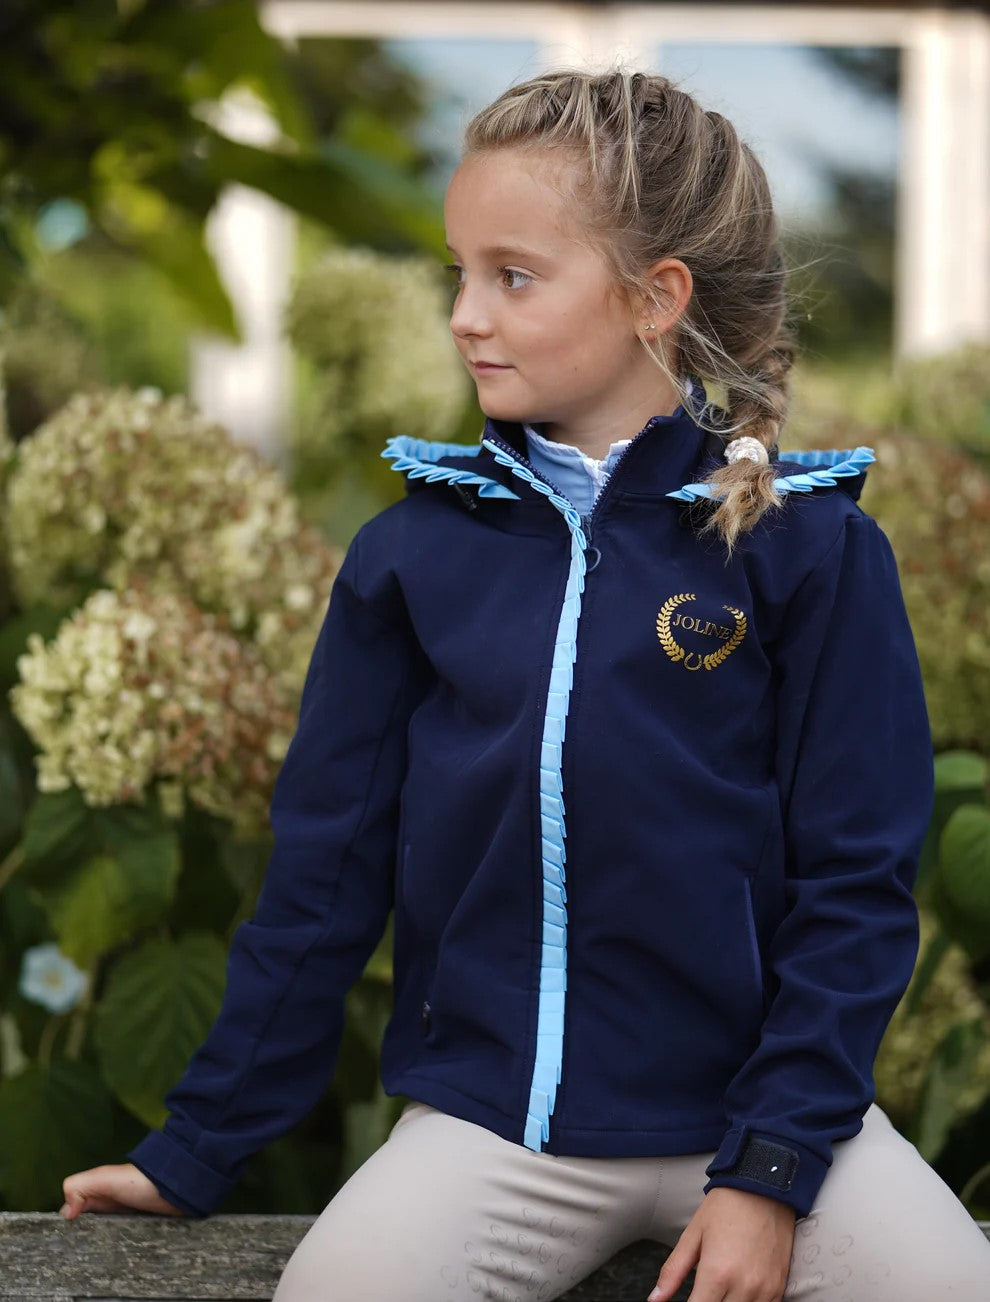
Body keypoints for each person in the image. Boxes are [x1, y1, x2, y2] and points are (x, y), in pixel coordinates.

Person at [60, 68, 990, 1301]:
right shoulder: (412, 555)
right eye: (459, 272)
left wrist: (771, 1170)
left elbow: (856, 886)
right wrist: (195, 1149)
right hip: (493, 1128)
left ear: (655, 298)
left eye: (512, 276)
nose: (464, 316)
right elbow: (321, 882)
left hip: (772, 1123)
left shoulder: (810, 550)